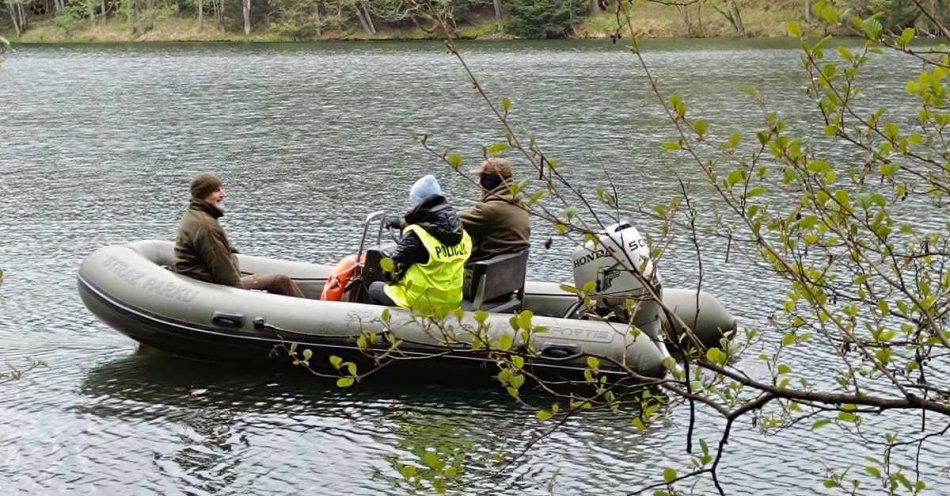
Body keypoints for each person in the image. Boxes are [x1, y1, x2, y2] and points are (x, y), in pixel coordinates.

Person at [174, 172, 305, 298]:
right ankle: (306, 312)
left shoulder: (194, 215)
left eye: (221, 189)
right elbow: (223, 272)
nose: (223, 194)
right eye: (217, 190)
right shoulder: (206, 226)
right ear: (204, 194)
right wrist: (241, 297)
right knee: (281, 280)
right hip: (208, 284)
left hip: (198, 278)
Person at [367, 175, 472, 312]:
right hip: (452, 301)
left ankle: (385, 329)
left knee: (375, 287)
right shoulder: (461, 233)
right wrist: (400, 223)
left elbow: (391, 274)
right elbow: (434, 227)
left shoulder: (416, 236)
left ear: (418, 205)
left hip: (420, 302)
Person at [458, 157, 531, 261]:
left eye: (481, 178)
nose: (479, 184)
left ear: (488, 182)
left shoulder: (489, 210)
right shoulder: (521, 205)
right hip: (506, 271)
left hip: (481, 272)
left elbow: (449, 222)